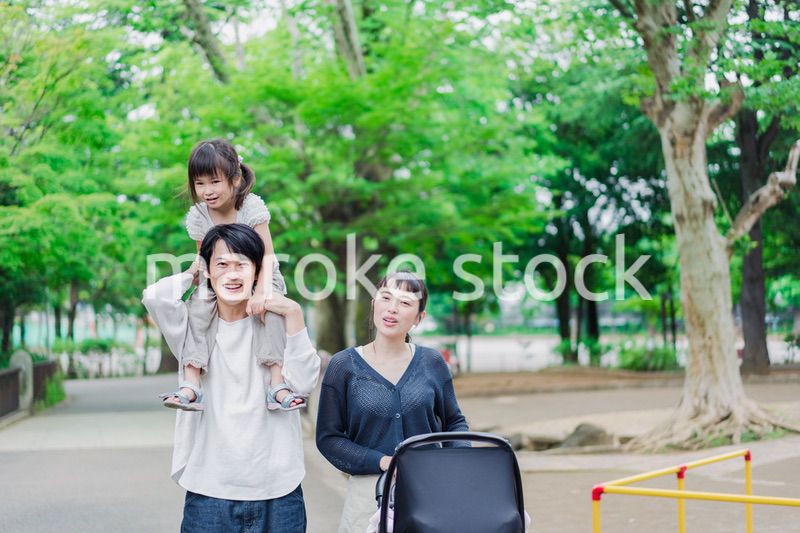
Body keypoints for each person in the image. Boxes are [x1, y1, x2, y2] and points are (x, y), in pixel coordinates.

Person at [142, 223, 320, 532]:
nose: (232, 273)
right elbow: (154, 297)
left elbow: (303, 383)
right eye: (221, 264)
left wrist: (293, 313)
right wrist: (192, 272)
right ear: (208, 271)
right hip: (209, 491)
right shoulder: (189, 327)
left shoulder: (277, 322)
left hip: (278, 490)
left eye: (241, 264)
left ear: (257, 272)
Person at [315, 271, 469, 533]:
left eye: (406, 302)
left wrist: (458, 460)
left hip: (429, 490)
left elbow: (454, 421)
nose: (392, 309)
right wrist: (383, 461)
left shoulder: (432, 363)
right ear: (374, 304)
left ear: (420, 318)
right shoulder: (343, 365)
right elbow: (329, 438)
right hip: (367, 495)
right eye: (386, 298)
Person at [160, 139, 306, 412]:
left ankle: (277, 382)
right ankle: (191, 381)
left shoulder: (250, 206)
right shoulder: (198, 215)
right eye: (199, 183)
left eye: (214, 182)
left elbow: (267, 256)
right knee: (197, 308)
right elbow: (205, 258)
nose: (207, 191)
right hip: (220, 277)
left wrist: (261, 292)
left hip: (261, 272)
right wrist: (196, 275)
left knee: (272, 311)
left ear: (236, 180)